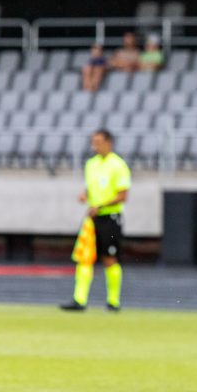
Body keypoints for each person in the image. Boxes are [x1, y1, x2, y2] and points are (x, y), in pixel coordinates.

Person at [60, 129, 131, 312]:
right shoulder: (91, 164)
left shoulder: (118, 165)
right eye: (93, 142)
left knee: (109, 258)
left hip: (110, 217)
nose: (95, 146)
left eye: (98, 142)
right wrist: (85, 195)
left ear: (109, 143)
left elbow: (122, 195)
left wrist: (100, 205)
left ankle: (113, 301)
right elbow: (91, 189)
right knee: (85, 258)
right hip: (92, 218)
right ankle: (79, 300)